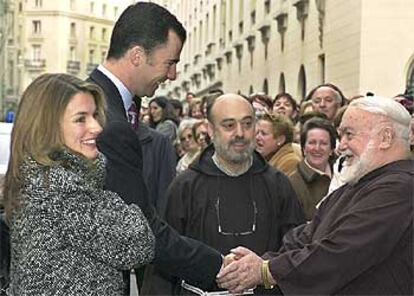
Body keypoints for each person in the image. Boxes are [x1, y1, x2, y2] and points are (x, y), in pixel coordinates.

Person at [87, 2, 223, 294]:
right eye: (170, 62)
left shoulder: (101, 103)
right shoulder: (107, 121)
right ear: (137, 55)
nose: (173, 75)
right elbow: (139, 228)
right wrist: (220, 266)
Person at [216, 96, 413, 295]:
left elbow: (344, 251)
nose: (340, 146)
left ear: (385, 138)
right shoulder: (359, 184)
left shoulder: (401, 188)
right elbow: (305, 236)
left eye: (349, 135)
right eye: (340, 135)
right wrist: (255, 263)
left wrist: (267, 270)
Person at [3, 73, 155, 295]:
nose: (96, 127)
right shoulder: (59, 187)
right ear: (47, 126)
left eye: (94, 115)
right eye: (80, 118)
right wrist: (117, 205)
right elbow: (139, 243)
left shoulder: (39, 177)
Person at [143, 93, 305, 295]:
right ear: (211, 130)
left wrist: (263, 268)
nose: (240, 133)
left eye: (247, 124)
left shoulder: (278, 185)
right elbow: (166, 258)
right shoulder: (185, 186)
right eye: (229, 125)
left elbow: (296, 248)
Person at [289, 117, 337, 220]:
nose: (317, 148)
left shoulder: (344, 175)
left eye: (324, 143)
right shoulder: (292, 184)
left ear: (332, 149)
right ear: (303, 148)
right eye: (312, 142)